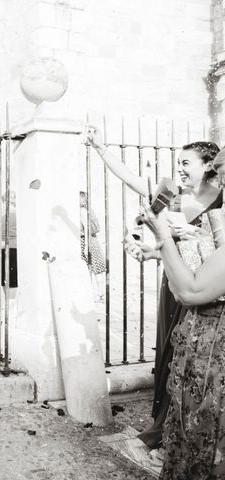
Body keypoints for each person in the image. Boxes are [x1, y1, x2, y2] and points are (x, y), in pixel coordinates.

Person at [87, 128, 221, 450]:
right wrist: (102, 148)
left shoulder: (221, 201)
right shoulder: (172, 196)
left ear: (207, 165)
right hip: (173, 284)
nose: (180, 168)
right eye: (179, 162)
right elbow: (131, 178)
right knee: (168, 353)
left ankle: (179, 428)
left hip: (208, 287)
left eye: (186, 162)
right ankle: (162, 423)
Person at [137, 148, 225, 478]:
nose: (219, 183)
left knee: (206, 435)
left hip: (215, 355)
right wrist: (160, 251)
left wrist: (161, 236)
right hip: (202, 351)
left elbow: (191, 290)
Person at [79, 191, 106, 302]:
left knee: (89, 268)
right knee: (97, 268)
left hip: (87, 241)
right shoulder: (88, 210)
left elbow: (86, 229)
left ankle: (93, 295)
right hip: (93, 240)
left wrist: (86, 247)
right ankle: (101, 295)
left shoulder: (82, 211)